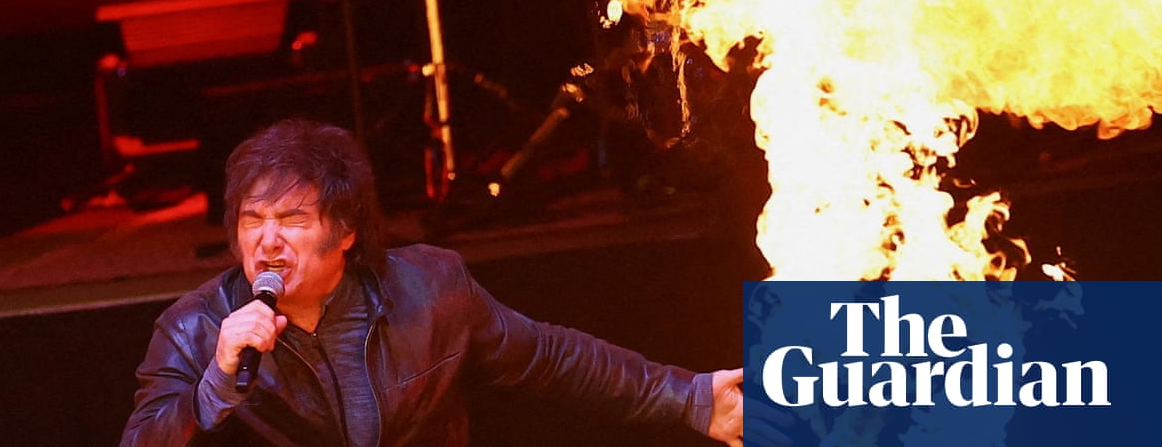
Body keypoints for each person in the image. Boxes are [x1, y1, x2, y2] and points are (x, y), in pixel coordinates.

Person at [120, 118, 760, 446]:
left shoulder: (429, 289)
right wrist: (214, 385)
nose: (267, 241)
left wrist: (691, 398)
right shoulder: (194, 329)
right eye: (251, 221)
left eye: (292, 220)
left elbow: (550, 357)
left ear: (345, 231)